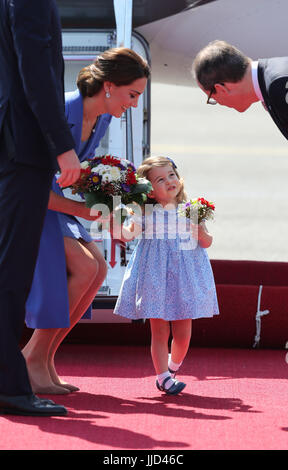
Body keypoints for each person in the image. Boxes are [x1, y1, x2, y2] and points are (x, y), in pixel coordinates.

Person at [22, 48, 151, 394]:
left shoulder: (103, 118)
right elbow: (30, 184)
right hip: (27, 201)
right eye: (132, 95)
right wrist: (91, 214)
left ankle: (44, 357)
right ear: (109, 86)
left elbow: (82, 176)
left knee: (97, 269)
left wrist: (116, 209)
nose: (135, 104)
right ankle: (31, 357)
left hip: (54, 202)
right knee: (82, 266)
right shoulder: (61, 110)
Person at [0, 0, 81, 416]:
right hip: (22, 149)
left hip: (10, 143)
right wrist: (63, 147)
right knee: (11, 272)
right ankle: (9, 387)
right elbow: (36, 71)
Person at [112, 156, 219, 394]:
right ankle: (162, 377)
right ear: (149, 192)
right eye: (160, 179)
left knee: (182, 334)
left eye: (171, 175)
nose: (169, 181)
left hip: (185, 276)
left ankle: (172, 367)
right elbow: (129, 235)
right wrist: (114, 224)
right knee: (159, 331)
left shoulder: (191, 209)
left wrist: (200, 232)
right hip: (155, 274)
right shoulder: (145, 213)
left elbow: (207, 242)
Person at [192, 40, 288, 141]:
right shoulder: (272, 79)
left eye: (212, 98)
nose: (219, 103)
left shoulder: (278, 87)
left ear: (221, 89)